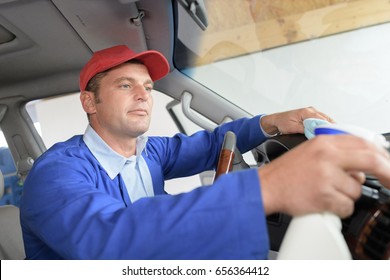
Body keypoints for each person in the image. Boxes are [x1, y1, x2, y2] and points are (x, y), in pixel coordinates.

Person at [19, 45, 390, 260]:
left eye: (148, 87)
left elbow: (213, 143)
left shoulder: (149, 153)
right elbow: (109, 242)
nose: (143, 95)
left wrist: (274, 121)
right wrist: (268, 187)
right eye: (125, 85)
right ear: (90, 101)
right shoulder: (57, 173)